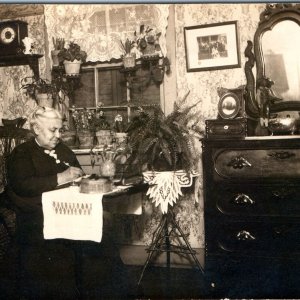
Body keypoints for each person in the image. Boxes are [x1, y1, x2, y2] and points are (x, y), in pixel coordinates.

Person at [6, 106, 127, 299]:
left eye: (60, 130)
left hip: (68, 211)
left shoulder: (63, 149)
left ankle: (106, 290)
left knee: (102, 226)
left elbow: (78, 173)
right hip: (37, 215)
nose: (58, 135)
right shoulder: (22, 153)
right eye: (52, 130)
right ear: (36, 129)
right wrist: (60, 177)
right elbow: (22, 185)